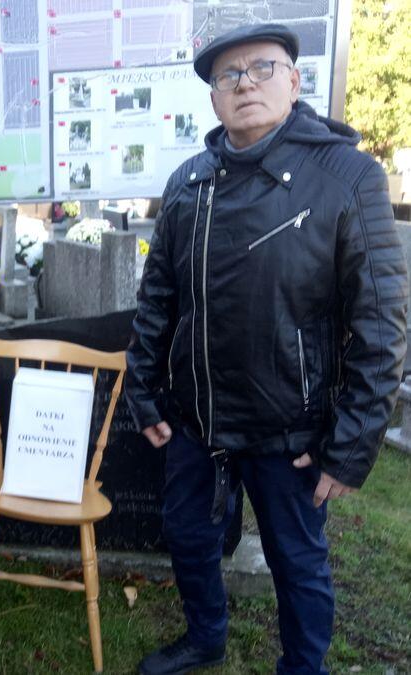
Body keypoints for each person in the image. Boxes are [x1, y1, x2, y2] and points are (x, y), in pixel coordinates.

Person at [125, 23, 407, 675]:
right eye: (229, 75)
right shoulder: (189, 182)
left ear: (294, 80)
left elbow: (381, 322)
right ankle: (206, 636)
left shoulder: (348, 177)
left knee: (297, 562)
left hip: (292, 430)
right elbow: (158, 296)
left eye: (262, 68)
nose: (245, 83)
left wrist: (351, 443)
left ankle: (304, 666)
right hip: (197, 421)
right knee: (189, 536)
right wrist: (143, 390)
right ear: (214, 98)